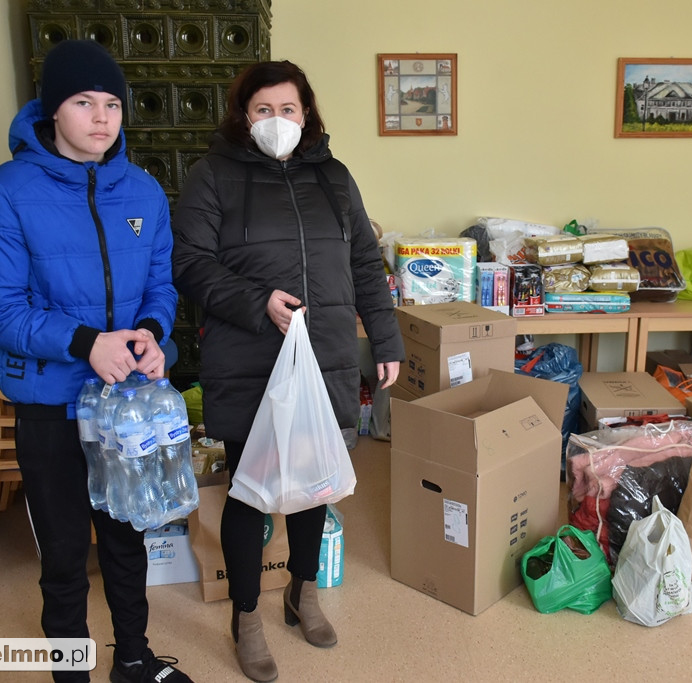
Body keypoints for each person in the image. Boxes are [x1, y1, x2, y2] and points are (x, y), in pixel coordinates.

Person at [0, 40, 191, 683]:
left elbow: (161, 288)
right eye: (83, 102)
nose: (101, 117)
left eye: (112, 103)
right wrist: (86, 341)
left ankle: (136, 660)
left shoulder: (143, 191)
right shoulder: (5, 194)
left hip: (126, 406)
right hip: (50, 407)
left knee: (127, 538)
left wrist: (151, 332)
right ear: (51, 111)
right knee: (63, 553)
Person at [172, 60, 404, 682]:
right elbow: (190, 264)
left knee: (313, 488)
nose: (278, 121)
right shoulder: (213, 176)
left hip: (323, 356)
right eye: (263, 110)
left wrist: (384, 338)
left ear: (308, 114)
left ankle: (304, 594)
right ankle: (246, 616)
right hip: (250, 360)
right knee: (251, 494)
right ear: (243, 116)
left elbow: (363, 264)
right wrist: (258, 302)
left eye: (289, 109)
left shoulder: (333, 177)